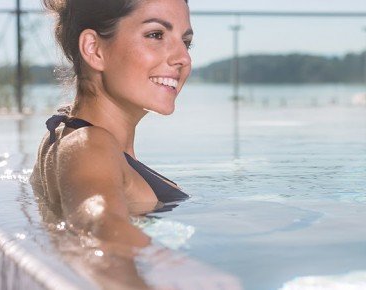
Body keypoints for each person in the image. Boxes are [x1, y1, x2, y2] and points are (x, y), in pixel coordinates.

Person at [30, 1, 241, 288]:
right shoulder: (89, 144)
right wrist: (178, 269)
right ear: (94, 49)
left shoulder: (65, 131)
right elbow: (98, 223)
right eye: (156, 35)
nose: (183, 58)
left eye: (186, 42)